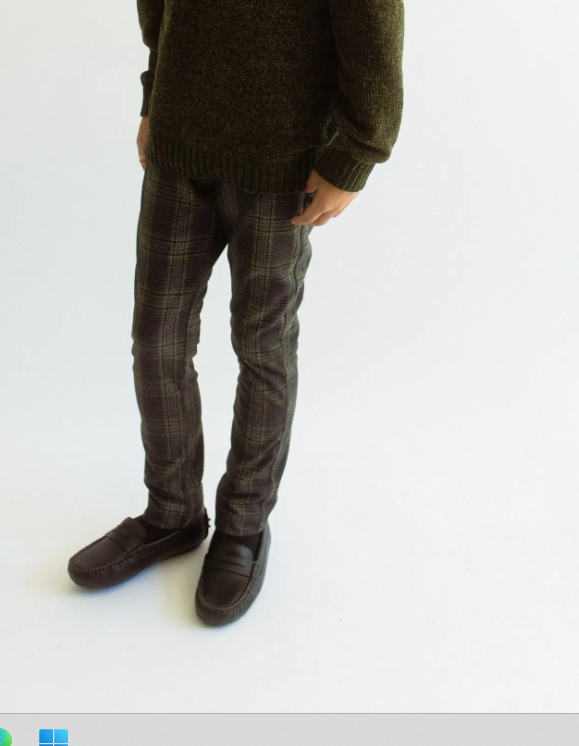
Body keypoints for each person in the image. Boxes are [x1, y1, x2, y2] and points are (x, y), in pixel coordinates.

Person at [67, 0, 405, 625]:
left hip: (285, 161)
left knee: (262, 346)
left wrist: (355, 152)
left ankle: (244, 526)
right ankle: (172, 513)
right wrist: (154, 96)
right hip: (179, 143)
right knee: (156, 340)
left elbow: (373, 27)